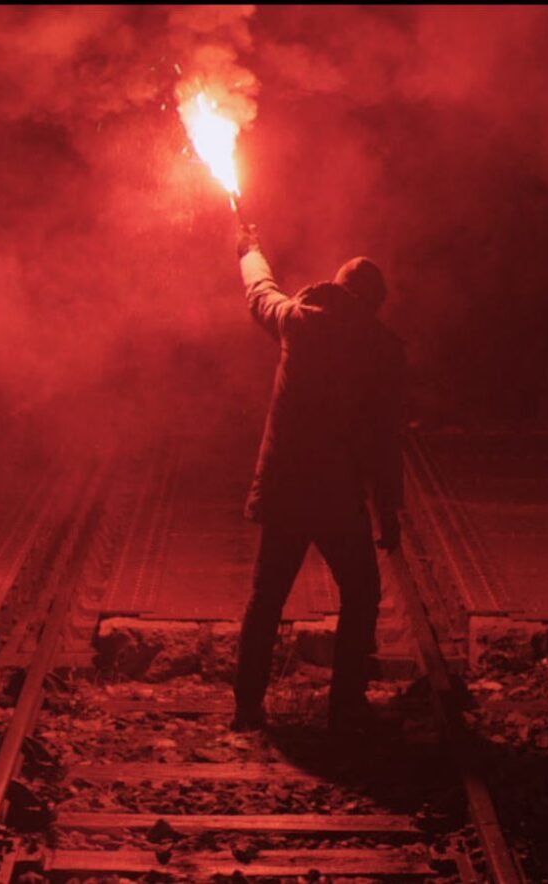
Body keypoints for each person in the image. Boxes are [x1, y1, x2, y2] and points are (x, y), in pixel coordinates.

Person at [229, 223, 406, 735]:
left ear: (337, 285)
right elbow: (383, 440)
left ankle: (246, 708)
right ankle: (346, 706)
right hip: (336, 497)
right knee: (362, 592)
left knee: (266, 600)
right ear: (374, 302)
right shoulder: (383, 350)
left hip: (286, 490)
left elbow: (259, 292)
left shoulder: (298, 320)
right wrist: (388, 508)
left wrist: (250, 249)